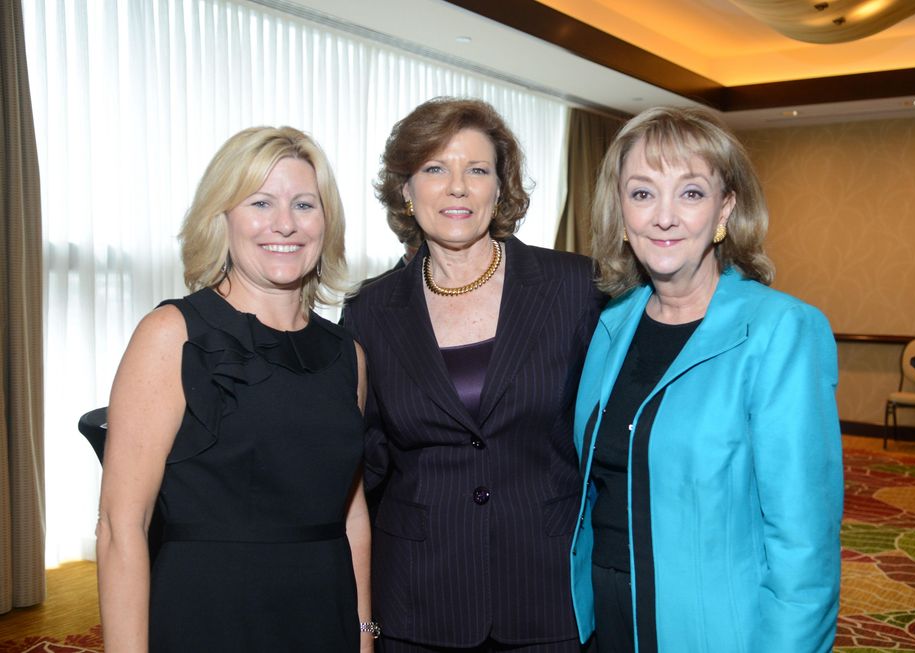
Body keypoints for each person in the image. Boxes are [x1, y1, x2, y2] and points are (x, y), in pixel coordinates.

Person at [569, 106, 843, 653]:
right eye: (642, 194)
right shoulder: (610, 325)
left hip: (715, 629)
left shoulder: (780, 332)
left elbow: (804, 545)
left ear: (726, 209)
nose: (663, 217)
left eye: (690, 193)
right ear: (622, 213)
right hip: (606, 619)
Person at [96, 126, 376, 652]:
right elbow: (120, 525)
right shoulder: (173, 335)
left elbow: (353, 512)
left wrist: (365, 635)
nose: (285, 224)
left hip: (325, 616)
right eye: (261, 202)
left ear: (326, 221)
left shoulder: (348, 356)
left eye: (304, 204)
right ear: (222, 218)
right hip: (209, 618)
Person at [343, 97, 605, 652]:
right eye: (435, 168)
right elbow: (363, 466)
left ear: (500, 189)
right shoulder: (368, 310)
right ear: (406, 191)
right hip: (418, 599)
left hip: (547, 592)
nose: (457, 187)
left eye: (477, 170)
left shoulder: (576, 288)